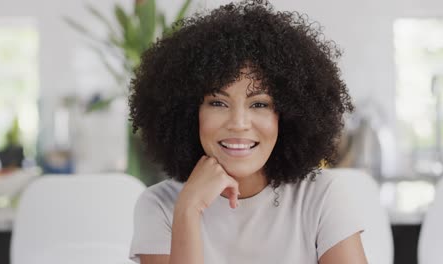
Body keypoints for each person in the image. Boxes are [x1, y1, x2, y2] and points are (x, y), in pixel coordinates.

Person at [128, 1, 368, 263]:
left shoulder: (322, 197)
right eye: (218, 103)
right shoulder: (162, 205)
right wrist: (188, 210)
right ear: (189, 113)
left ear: (287, 115)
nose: (239, 123)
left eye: (259, 104)